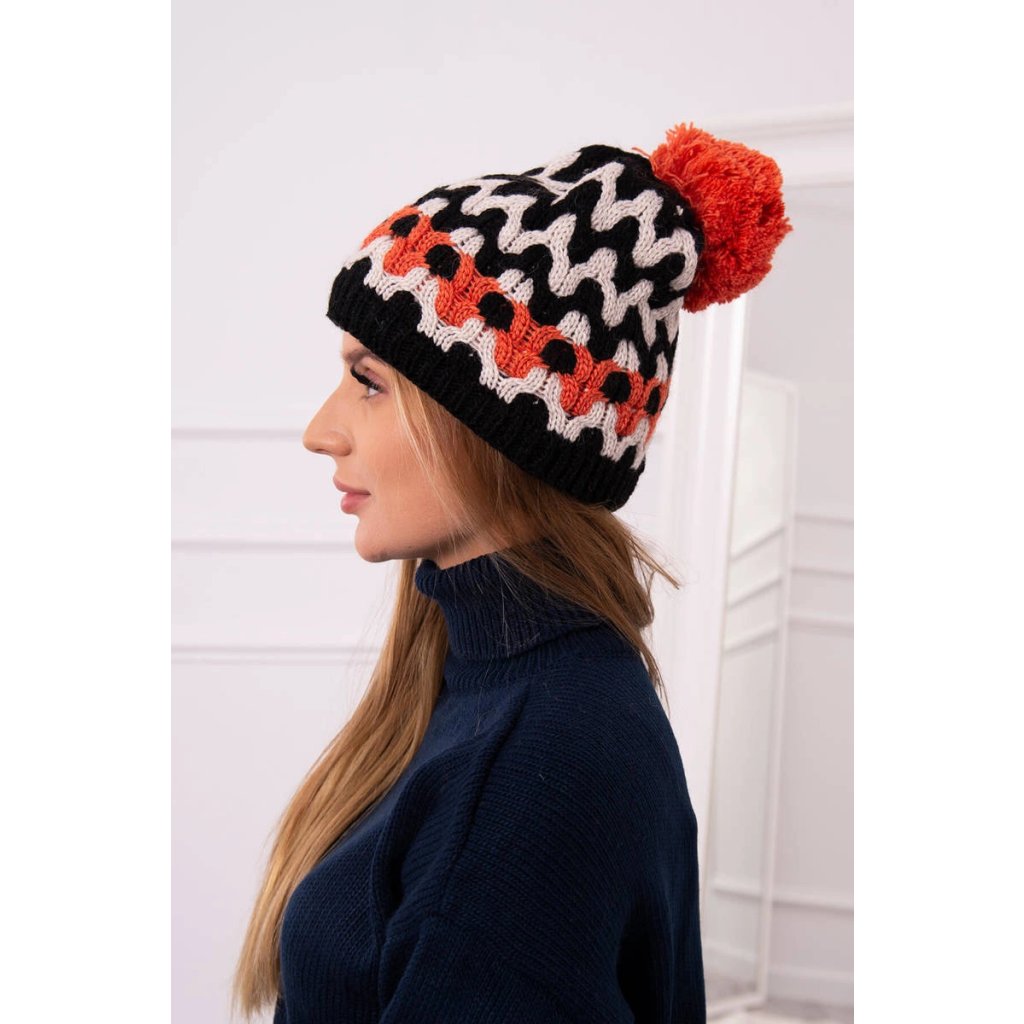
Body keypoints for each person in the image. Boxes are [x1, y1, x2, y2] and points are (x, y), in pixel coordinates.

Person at [231, 120, 792, 1023]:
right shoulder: (516, 687)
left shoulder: (533, 765)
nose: (320, 431)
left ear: (490, 421)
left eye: (369, 382)